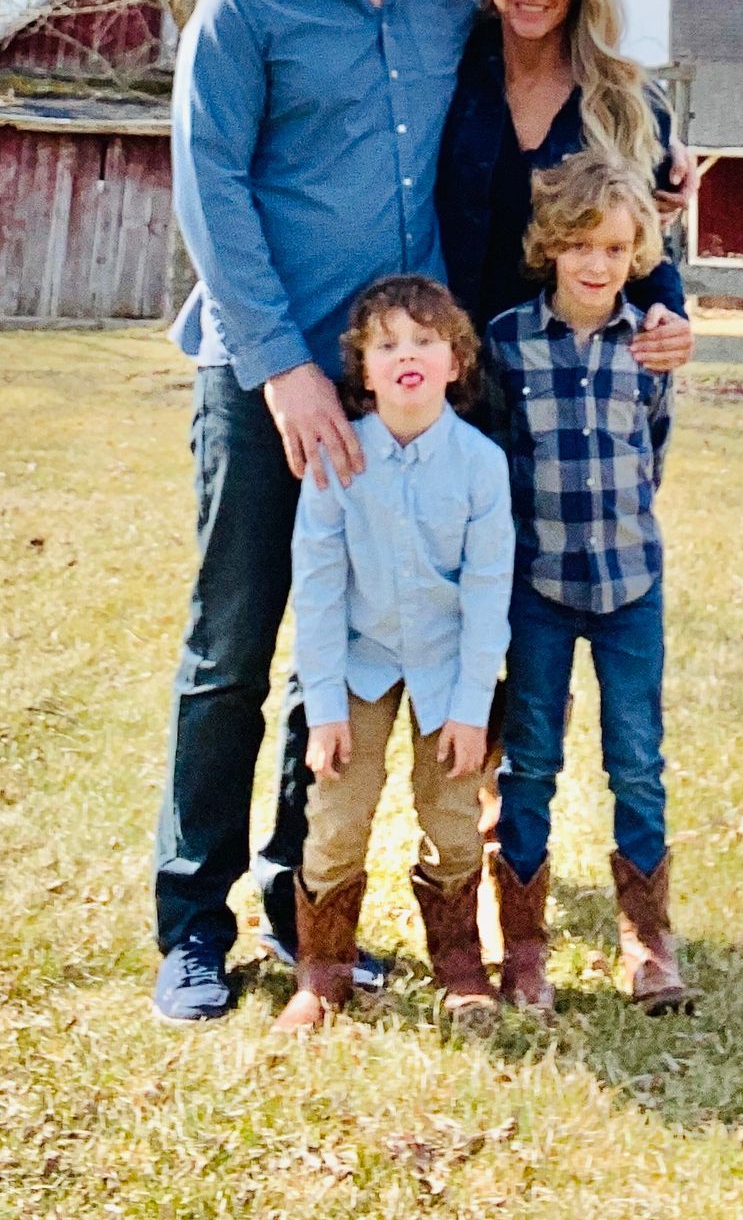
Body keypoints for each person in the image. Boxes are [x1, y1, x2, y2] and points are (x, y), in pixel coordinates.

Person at [152, 0, 482, 1025]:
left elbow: (564, 41)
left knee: (336, 660)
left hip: (396, 388)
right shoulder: (249, 3)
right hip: (261, 376)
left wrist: (657, 142)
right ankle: (193, 926)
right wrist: (284, 365)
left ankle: (308, 915)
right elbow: (209, 186)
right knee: (232, 650)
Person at [272, 276, 513, 1036]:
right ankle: (323, 971)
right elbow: (316, 587)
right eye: (386, 345)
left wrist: (472, 710)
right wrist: (326, 707)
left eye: (425, 341)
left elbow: (486, 596)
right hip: (361, 660)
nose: (406, 355)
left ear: (456, 361)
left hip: (449, 664)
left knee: (451, 811)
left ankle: (460, 965)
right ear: (363, 369)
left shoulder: (480, 465)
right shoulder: (340, 459)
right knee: (339, 810)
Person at [485, 148, 694, 1018]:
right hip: (538, 582)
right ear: (549, 247)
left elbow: (655, 446)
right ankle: (524, 946)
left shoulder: (648, 344)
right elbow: (496, 454)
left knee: (637, 761)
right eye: (578, 246)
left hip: (629, 585)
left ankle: (647, 940)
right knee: (531, 760)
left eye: (613, 248)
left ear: (637, 248)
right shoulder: (506, 341)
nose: (597, 264)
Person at [436, 0, 693, 368]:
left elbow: (645, 241)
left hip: (568, 375)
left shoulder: (625, 103)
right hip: (451, 369)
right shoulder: (448, 73)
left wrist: (669, 313)